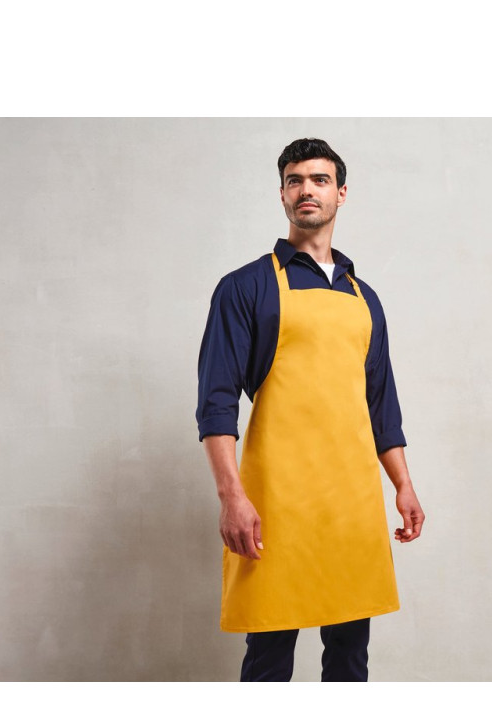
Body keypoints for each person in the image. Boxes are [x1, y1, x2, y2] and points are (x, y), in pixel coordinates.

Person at [195, 138, 425, 682]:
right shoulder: (245, 287)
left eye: (320, 180)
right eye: (295, 180)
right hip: (276, 500)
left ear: (341, 193)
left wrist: (403, 486)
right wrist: (231, 497)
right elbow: (216, 403)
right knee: (269, 653)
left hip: (351, 502)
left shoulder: (365, 298)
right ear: (282, 194)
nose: (307, 190)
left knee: (350, 655)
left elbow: (381, 404)